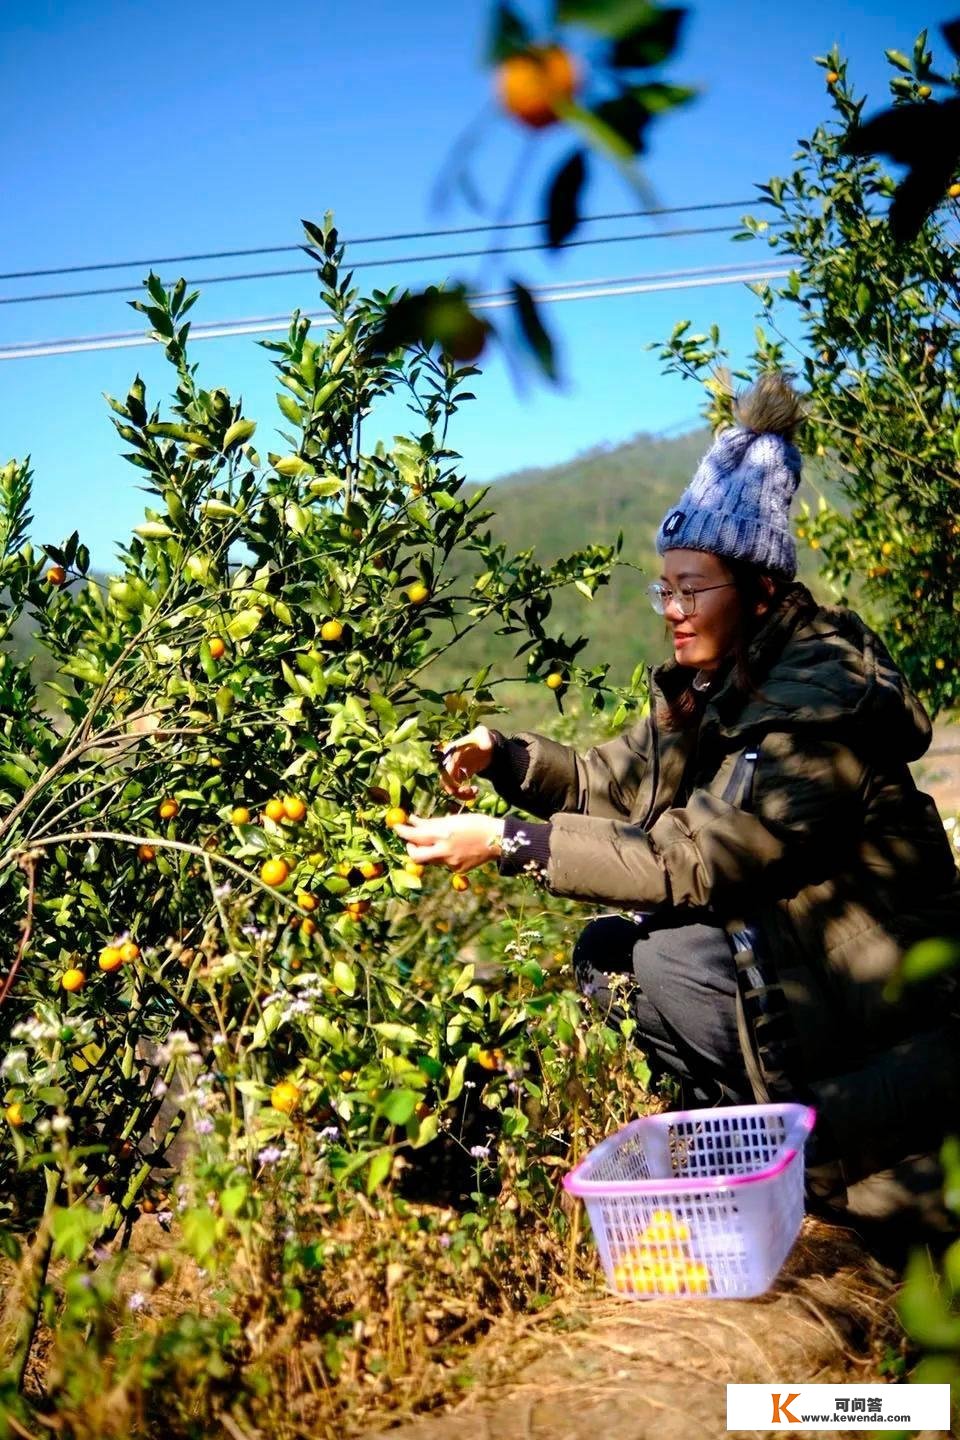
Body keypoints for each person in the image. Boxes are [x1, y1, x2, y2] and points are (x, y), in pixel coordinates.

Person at [393, 374, 960, 1227]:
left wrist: (513, 843)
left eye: (694, 589)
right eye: (667, 590)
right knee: (607, 953)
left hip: (888, 1000)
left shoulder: (815, 710)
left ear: (762, 590)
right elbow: (608, 778)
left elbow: (697, 859)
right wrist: (505, 757)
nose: (673, 611)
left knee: (668, 954)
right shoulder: (718, 685)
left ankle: (806, 1144)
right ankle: (737, 1138)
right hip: (811, 971)